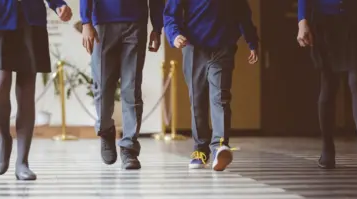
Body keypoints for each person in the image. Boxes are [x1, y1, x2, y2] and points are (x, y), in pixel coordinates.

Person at [0, 0, 72, 180]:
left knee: (26, 94)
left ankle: (22, 162)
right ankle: (5, 138)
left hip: (32, 21)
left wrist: (58, 3)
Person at [164, 0, 259, 171]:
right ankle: (200, 150)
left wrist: (252, 41)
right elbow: (171, 13)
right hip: (193, 46)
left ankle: (220, 147)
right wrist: (174, 34)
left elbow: (242, 11)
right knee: (197, 99)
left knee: (220, 97)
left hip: (223, 46)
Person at [80, 0, 164, 170]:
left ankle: (129, 148)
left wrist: (157, 28)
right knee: (102, 88)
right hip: (102, 24)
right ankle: (106, 130)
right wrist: (86, 21)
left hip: (135, 23)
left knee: (131, 88)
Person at [297, 0, 357, 169]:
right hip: (324, 22)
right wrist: (302, 20)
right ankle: (327, 150)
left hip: (355, 18)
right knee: (329, 84)